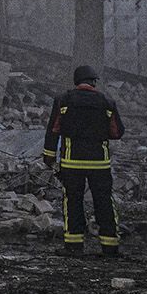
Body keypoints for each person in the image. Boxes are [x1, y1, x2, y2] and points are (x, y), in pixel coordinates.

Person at [43, 64, 122, 257]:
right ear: (94, 81)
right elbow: (117, 132)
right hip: (99, 163)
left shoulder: (63, 101)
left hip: (72, 162)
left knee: (73, 202)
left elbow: (53, 130)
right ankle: (110, 247)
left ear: (76, 81)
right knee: (104, 202)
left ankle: (74, 246)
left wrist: (49, 156)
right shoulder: (107, 102)